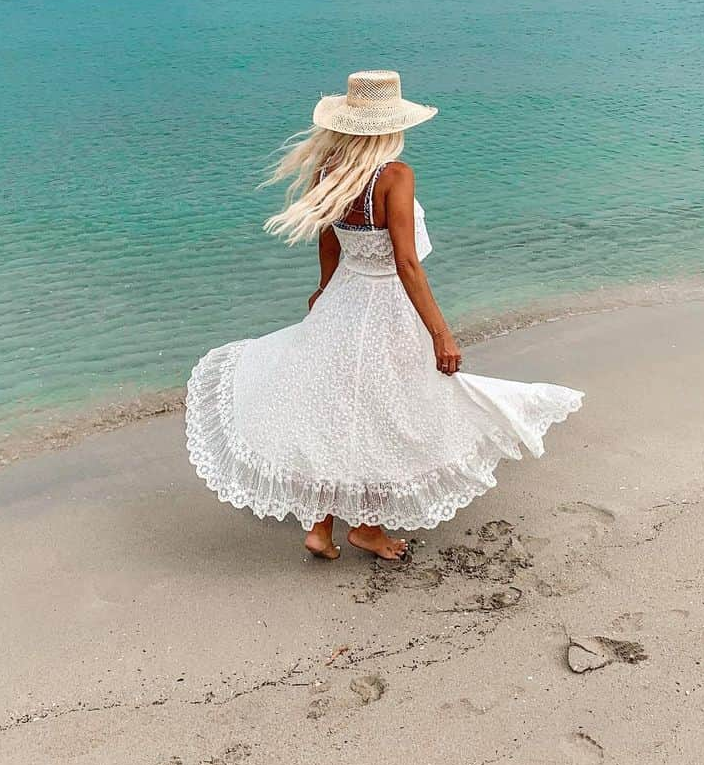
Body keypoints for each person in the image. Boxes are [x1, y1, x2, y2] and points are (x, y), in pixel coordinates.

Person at [186, 69, 584, 561]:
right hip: (387, 305)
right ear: (391, 125)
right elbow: (406, 262)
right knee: (382, 408)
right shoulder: (394, 176)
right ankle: (368, 528)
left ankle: (321, 526)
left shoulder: (328, 172)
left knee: (335, 406)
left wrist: (322, 291)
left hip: (344, 299)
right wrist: (441, 333)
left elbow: (329, 240)